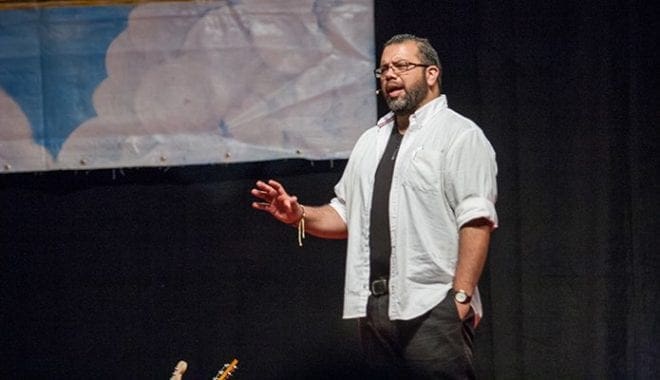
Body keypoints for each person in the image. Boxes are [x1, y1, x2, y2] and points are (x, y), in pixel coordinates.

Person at [251, 34, 498, 379]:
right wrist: (300, 215)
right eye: (383, 70)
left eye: (402, 66)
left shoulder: (459, 135)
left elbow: (476, 219)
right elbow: (346, 213)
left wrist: (458, 298)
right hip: (375, 307)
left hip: (432, 304)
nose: (390, 76)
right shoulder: (371, 140)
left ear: (431, 74)